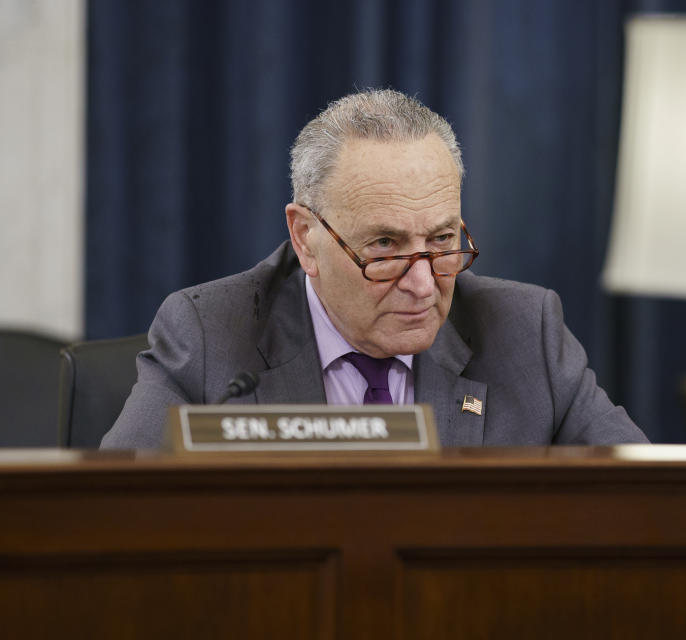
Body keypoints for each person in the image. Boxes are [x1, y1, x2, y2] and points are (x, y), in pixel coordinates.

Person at [101, 89, 648, 449]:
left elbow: (648, 502)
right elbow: (113, 517)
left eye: (441, 241)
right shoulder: (209, 337)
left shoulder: (526, 332)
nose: (421, 283)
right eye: (385, 246)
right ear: (305, 238)